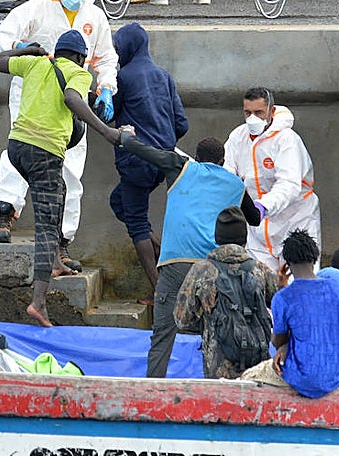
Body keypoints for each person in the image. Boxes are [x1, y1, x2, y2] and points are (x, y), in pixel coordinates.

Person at [0, 0, 117, 275]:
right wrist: (20, 49)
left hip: (71, 102)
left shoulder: (95, 17)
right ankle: (5, 211)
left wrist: (108, 87)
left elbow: (107, 57)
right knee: (19, 154)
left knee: (71, 170)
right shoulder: (36, 9)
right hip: (32, 95)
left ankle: (62, 238)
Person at [0, 32, 121, 328]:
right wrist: (105, 131)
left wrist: (27, 51)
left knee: (57, 193)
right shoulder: (79, 74)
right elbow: (72, 98)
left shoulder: (34, 64)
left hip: (17, 148)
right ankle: (38, 303)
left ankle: (56, 261)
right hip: (44, 151)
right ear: (81, 58)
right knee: (46, 228)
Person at [99, 130, 261, 378]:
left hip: (176, 264)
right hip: (212, 269)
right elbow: (255, 218)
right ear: (222, 162)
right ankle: (218, 387)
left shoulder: (181, 167)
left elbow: (143, 149)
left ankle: (153, 387)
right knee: (216, 332)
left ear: (196, 157)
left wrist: (125, 136)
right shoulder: (235, 184)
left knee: (162, 334)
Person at [109, 22, 188, 290]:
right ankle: (158, 247)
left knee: (137, 223)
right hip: (162, 162)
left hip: (136, 161)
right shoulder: (164, 76)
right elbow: (182, 125)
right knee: (118, 202)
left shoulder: (123, 78)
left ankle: (160, 291)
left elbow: (107, 114)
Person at [240, 230, 339, 398]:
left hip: (303, 379)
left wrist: (281, 288)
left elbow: (277, 341)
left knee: (248, 377)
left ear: (287, 264)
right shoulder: (336, 289)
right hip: (336, 376)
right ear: (314, 259)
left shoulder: (283, 297)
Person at [175, 206, 280, 379]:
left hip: (218, 368)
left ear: (217, 238)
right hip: (258, 366)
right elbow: (283, 305)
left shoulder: (201, 271)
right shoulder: (260, 270)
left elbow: (182, 320)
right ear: (244, 238)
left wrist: (210, 323)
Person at [224, 86, 319, 273]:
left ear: (271, 111)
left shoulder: (287, 140)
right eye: (247, 112)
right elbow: (227, 173)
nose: (252, 118)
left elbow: (289, 184)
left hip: (294, 221)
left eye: (258, 112)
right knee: (260, 286)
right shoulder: (238, 137)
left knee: (298, 284)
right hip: (256, 230)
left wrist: (263, 206)